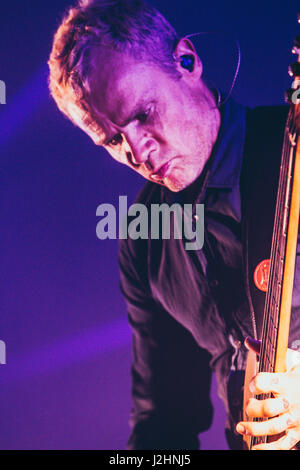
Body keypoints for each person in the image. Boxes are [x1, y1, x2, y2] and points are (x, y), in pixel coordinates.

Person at [48, 0, 300, 450]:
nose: (139, 152)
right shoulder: (145, 241)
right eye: (112, 139)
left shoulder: (293, 152)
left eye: (143, 113)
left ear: (187, 61)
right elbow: (165, 419)